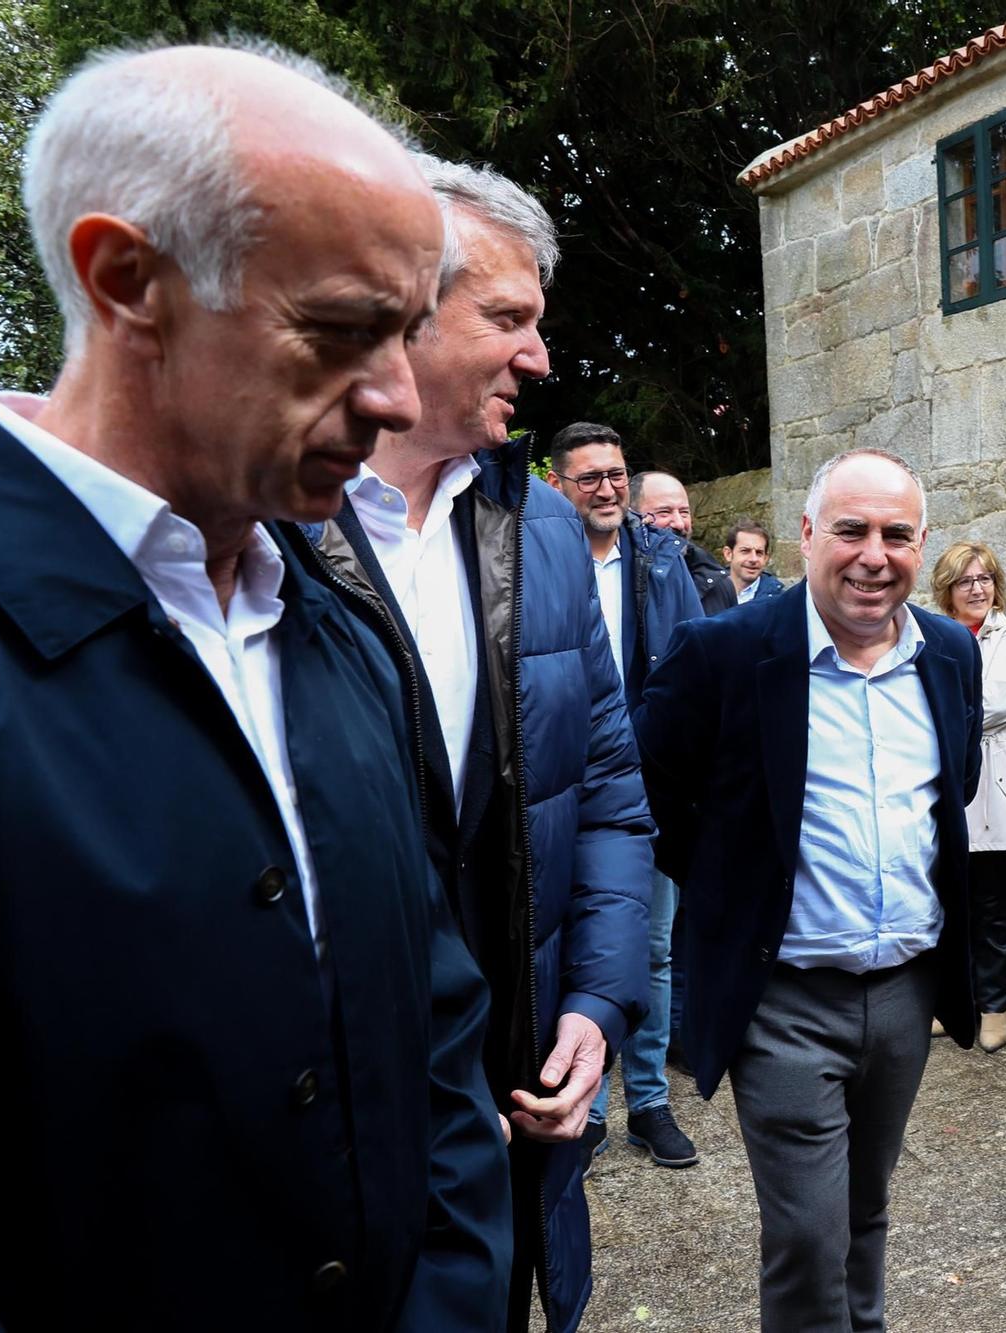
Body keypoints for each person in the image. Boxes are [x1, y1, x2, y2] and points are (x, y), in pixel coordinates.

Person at [0, 41, 512, 1327]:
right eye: (338, 330)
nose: (391, 395)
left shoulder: (331, 627)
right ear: (126, 279)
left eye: (407, 335)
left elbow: (432, 1035)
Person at [284, 157, 654, 1333]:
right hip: (345, 1121)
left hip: (524, 1084)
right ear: (399, 308)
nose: (540, 358)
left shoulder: (536, 519)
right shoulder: (263, 522)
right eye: (508, 318)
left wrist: (595, 1002)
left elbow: (604, 784)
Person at [635, 448, 982, 1331]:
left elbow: (954, 792)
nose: (875, 554)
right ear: (805, 534)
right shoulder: (724, 652)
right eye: (851, 530)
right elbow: (650, 790)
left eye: (897, 534)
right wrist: (730, 888)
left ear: (922, 542)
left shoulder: (947, 653)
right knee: (805, 1236)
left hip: (906, 993)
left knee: (866, 1209)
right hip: (783, 1003)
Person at [544, 420, 705, 1170]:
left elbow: (693, 664)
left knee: (657, 946)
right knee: (581, 942)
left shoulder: (662, 559)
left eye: (616, 473)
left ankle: (648, 1100)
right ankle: (590, 1101)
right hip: (562, 788)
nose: (608, 488)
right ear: (557, 484)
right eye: (590, 477)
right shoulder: (535, 559)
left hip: (651, 784)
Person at [930, 540, 1006, 1053]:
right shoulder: (932, 636)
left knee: (993, 905)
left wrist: (936, 709)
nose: (977, 589)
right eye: (965, 581)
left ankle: (995, 1006)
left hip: (996, 786)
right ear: (947, 591)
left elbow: (995, 705)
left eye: (985, 579)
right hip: (946, 784)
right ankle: (954, 1000)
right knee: (946, 902)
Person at [636, 468, 736, 614]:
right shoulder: (619, 580)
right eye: (664, 512)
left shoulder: (719, 585)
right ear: (633, 515)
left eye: (684, 513)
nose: (679, 524)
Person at [723, 517, 786, 604]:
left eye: (759, 552)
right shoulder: (708, 595)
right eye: (745, 551)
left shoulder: (780, 601)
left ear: (765, 558)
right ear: (728, 554)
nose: (753, 559)